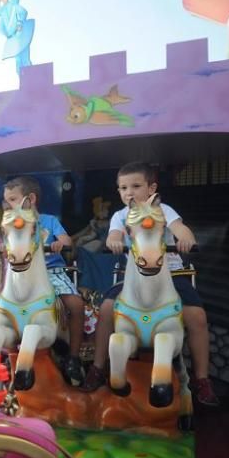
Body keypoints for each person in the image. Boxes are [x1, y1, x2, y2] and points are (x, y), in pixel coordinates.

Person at [82, 162, 219, 406]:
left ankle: (201, 378)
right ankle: (99, 366)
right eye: (123, 188)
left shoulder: (163, 210)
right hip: (133, 277)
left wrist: (186, 239)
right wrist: (114, 240)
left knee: (196, 316)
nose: (129, 192)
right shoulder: (120, 215)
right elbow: (115, 234)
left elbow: (180, 228)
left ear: (152, 188)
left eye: (136, 186)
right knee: (106, 309)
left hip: (170, 274)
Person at [3, 176, 85, 385]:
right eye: (7, 200)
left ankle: (73, 357)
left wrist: (60, 243)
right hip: (22, 274)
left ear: (30, 199)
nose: (8, 205)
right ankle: (5, 353)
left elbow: (67, 241)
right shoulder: (11, 223)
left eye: (13, 199)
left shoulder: (48, 221)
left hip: (51, 271)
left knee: (75, 304)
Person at [0, 0, 33, 75]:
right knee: (18, 63)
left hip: (21, 35)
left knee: (25, 60)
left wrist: (19, 23)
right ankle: (24, 82)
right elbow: (0, 28)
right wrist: (7, 34)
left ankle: (31, 80)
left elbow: (23, 12)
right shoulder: (3, 12)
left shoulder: (14, 5)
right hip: (13, 38)